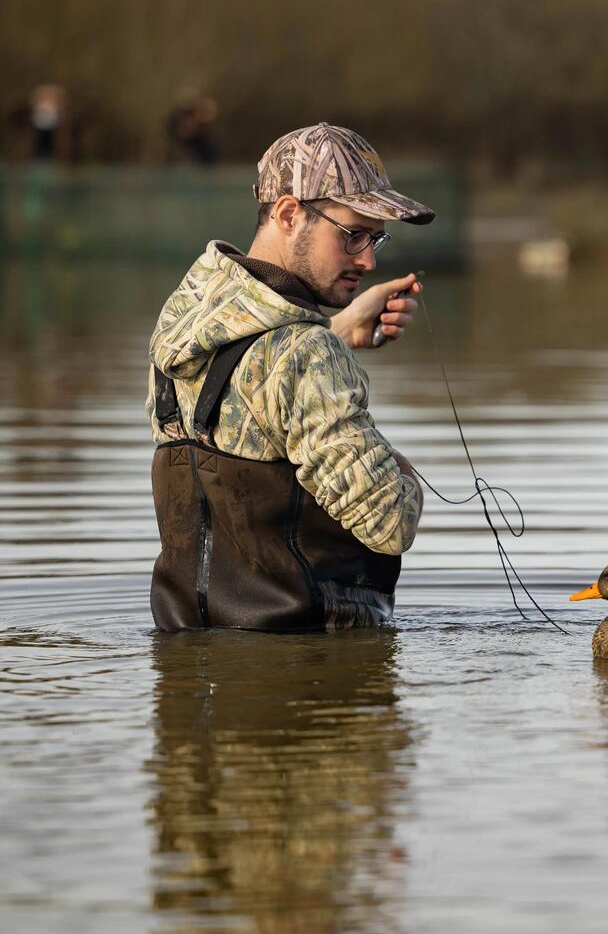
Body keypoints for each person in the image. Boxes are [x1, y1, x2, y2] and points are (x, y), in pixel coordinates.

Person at [147, 122, 433, 632]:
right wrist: (405, 472)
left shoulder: (180, 322)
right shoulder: (307, 356)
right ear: (287, 213)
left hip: (186, 678)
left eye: (377, 238)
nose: (367, 259)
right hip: (310, 677)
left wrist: (338, 329)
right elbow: (389, 522)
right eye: (353, 235)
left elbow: (246, 391)